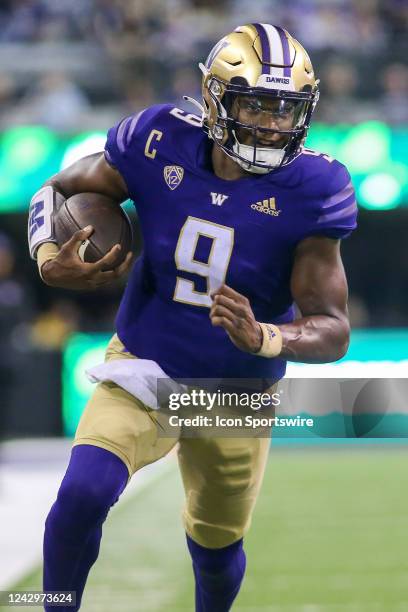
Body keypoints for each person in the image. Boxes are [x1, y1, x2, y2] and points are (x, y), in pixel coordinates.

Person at [28, 23, 357, 611]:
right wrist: (49, 256)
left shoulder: (315, 186)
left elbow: (332, 329)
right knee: (83, 491)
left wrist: (266, 336)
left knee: (215, 546)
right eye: (254, 104)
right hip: (145, 363)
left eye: (285, 110)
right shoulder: (156, 139)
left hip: (236, 386)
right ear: (214, 97)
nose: (270, 124)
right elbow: (54, 189)